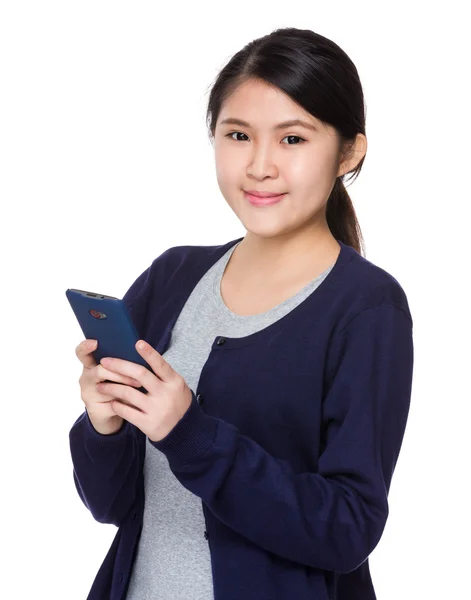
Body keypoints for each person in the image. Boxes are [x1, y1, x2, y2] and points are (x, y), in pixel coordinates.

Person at [69, 26, 414, 600]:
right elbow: (112, 506)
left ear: (349, 151)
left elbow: (349, 529)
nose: (259, 166)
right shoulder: (172, 276)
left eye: (293, 140)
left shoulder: (366, 307)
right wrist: (105, 424)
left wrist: (190, 435)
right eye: (238, 135)